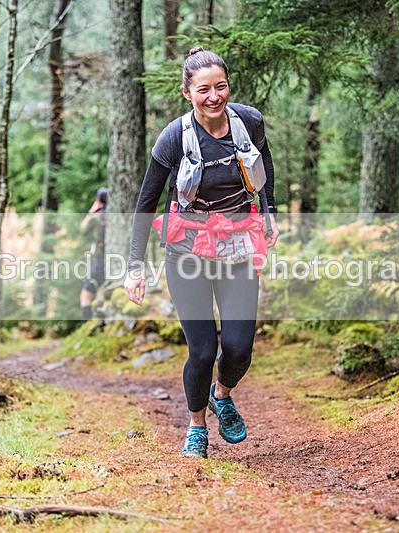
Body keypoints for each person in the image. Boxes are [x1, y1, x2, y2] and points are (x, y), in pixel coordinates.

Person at [124, 46, 278, 458]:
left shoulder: (248, 122)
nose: (214, 96)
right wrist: (134, 266)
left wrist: (269, 213)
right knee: (203, 349)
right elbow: (146, 202)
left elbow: (265, 163)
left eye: (221, 86)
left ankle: (221, 394)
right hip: (186, 251)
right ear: (187, 92)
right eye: (204, 89)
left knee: (240, 346)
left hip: (237, 246)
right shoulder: (175, 137)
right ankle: (196, 426)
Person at [80, 187, 108, 320]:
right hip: (111, 259)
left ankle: (87, 326)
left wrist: (91, 211)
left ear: (98, 200)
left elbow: (83, 230)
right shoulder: (114, 216)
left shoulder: (96, 218)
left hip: (98, 259)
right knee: (103, 291)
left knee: (86, 294)